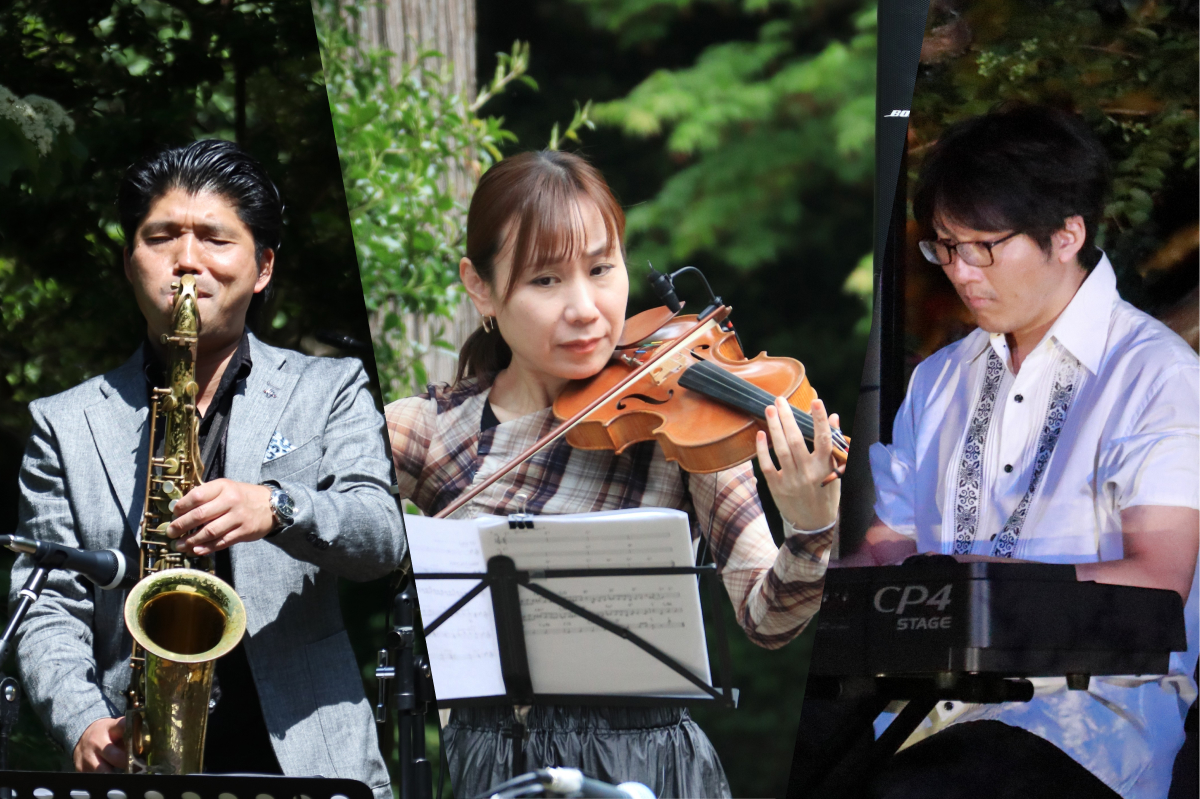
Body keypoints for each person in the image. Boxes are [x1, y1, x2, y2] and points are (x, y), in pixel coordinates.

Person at [385, 150, 842, 798]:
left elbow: (770, 618)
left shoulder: (685, 420)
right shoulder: (431, 427)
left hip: (648, 770)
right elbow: (333, 503)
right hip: (497, 768)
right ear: (480, 286)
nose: (586, 308)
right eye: (546, 281)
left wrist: (811, 526)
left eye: (602, 269)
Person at [10, 139, 404, 793]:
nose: (186, 261)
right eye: (161, 237)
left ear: (263, 266)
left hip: (306, 764)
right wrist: (80, 720)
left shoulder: (330, 387)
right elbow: (49, 605)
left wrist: (275, 506)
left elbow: (383, 534)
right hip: (138, 764)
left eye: (214, 239)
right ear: (130, 260)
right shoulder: (64, 420)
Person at [842, 105, 1199, 798]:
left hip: (1087, 723)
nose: (960, 272)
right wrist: (811, 586)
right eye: (943, 247)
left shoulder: (1156, 375)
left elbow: (1160, 579)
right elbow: (891, 548)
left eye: (983, 246)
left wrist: (977, 581)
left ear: (1067, 235)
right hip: (920, 704)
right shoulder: (938, 379)